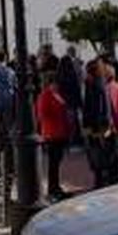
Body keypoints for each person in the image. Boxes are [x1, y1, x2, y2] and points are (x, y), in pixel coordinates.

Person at [82, 59, 118, 188]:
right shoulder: (96, 83)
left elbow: (98, 108)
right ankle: (104, 180)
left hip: (98, 126)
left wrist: (93, 128)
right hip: (100, 125)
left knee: (100, 155)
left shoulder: (95, 85)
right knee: (103, 154)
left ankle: (102, 182)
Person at [35, 72, 71, 200]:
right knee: (53, 163)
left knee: (57, 162)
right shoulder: (45, 95)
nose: (57, 85)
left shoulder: (56, 94)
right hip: (52, 134)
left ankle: (56, 187)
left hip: (60, 133)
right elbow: (42, 115)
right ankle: (52, 189)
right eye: (55, 83)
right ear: (50, 83)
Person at [57, 47, 84, 147]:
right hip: (72, 100)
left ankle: (70, 139)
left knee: (68, 121)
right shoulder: (72, 72)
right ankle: (75, 139)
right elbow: (77, 86)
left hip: (65, 100)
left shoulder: (60, 75)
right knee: (73, 120)